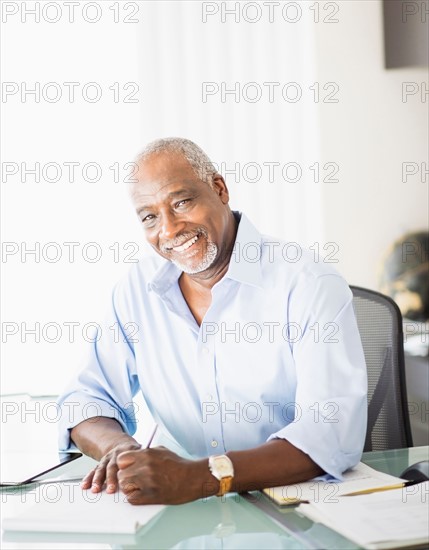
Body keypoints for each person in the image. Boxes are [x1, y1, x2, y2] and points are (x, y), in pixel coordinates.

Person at [58, 137, 367, 505]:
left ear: (220, 189)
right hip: (184, 512)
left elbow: (330, 430)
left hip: (296, 508)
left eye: (182, 202)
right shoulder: (138, 289)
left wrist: (198, 477)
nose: (170, 229)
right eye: (150, 217)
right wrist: (122, 452)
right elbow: (85, 399)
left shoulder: (307, 284)